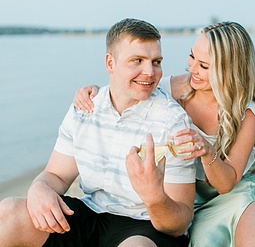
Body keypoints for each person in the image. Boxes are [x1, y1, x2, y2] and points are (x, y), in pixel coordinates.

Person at [73, 21, 255, 247]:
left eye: (204, 66)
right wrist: (94, 91)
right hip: (194, 196)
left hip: (242, 188)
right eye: (191, 57)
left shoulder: (246, 113)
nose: (191, 69)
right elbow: (129, 91)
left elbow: (227, 183)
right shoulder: (174, 89)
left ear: (228, 70)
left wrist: (207, 151)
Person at [0, 18, 195, 246]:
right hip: (91, 214)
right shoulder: (85, 108)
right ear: (110, 63)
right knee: (8, 212)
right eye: (137, 60)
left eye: (156, 61)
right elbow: (57, 175)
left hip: (146, 226)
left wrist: (154, 196)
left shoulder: (173, 122)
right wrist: (39, 188)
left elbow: (180, 223)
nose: (150, 72)